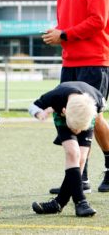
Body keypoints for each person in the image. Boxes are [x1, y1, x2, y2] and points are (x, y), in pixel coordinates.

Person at [42, 0, 109, 193]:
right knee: (71, 116)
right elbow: (66, 24)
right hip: (69, 62)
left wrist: (63, 34)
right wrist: (58, 33)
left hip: (95, 61)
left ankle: (90, 173)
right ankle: (80, 177)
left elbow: (98, 21)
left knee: (91, 117)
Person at [29, 81, 102, 217]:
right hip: (63, 115)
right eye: (75, 128)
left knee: (81, 159)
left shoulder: (96, 101)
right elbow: (33, 107)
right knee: (73, 153)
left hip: (86, 113)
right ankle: (81, 202)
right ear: (65, 111)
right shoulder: (55, 96)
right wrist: (40, 113)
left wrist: (81, 125)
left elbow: (93, 118)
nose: (77, 131)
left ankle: (58, 203)